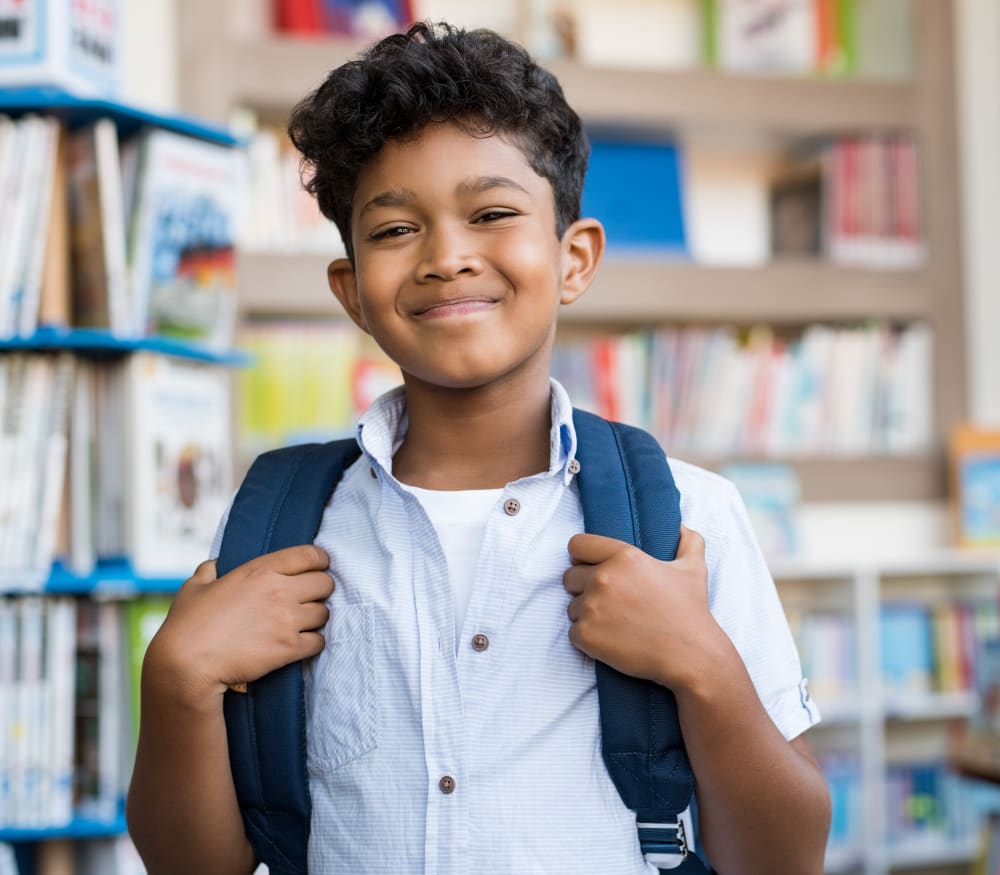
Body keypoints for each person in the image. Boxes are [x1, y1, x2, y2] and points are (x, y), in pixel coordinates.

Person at [126, 21, 831, 875]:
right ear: (351, 291)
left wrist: (702, 665)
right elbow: (192, 865)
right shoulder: (278, 531)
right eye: (393, 230)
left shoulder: (688, 521)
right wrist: (175, 680)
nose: (447, 257)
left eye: (491, 213)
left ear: (575, 260)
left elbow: (786, 857)